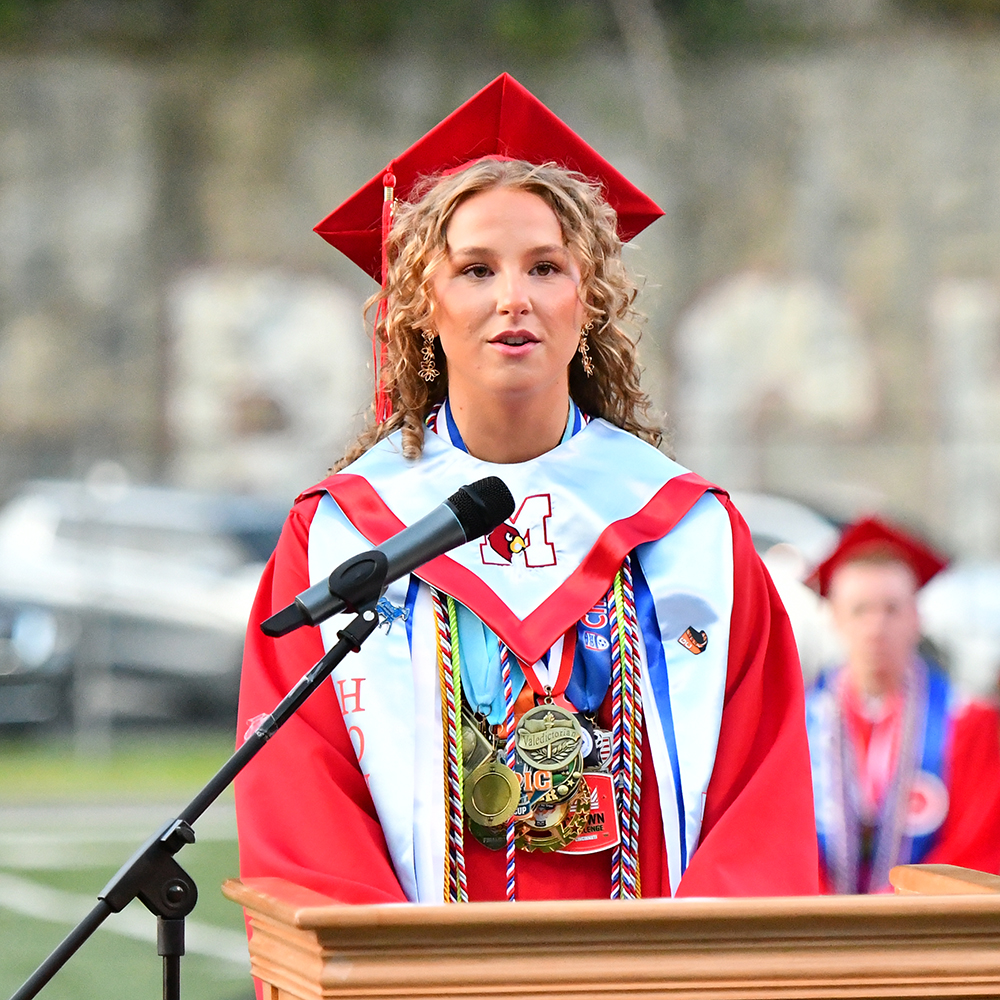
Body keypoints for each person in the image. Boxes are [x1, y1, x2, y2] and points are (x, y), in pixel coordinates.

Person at [234, 73, 818, 908]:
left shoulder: (690, 533)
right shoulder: (342, 539)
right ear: (419, 308)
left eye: (545, 267)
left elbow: (763, 799)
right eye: (475, 270)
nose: (514, 298)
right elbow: (301, 799)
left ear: (589, 303)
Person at [805, 516, 1000, 893]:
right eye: (861, 610)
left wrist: (900, 910)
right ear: (834, 617)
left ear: (916, 617)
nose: (876, 626)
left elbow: (978, 846)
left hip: (925, 934)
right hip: (819, 932)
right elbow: (779, 837)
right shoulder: (798, 723)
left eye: (892, 609)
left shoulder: (967, 722)